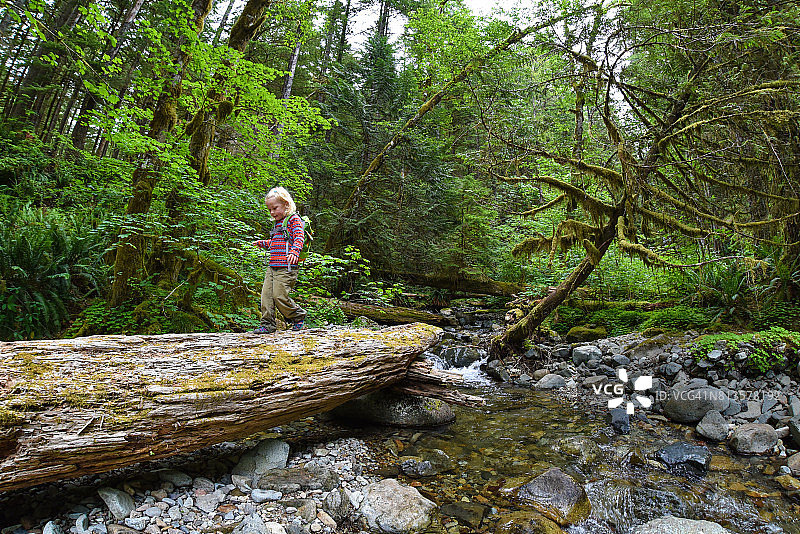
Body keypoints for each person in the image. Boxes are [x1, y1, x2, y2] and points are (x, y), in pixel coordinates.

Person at [251, 187, 307, 333]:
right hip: (273, 266)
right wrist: (262, 243)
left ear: (286, 205)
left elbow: (299, 237)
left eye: (275, 208)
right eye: (269, 209)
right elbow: (275, 243)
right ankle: (267, 324)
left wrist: (295, 251)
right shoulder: (277, 224)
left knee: (279, 296)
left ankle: (298, 317)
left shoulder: (293, 219)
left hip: (287, 267)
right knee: (266, 296)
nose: (272, 212)